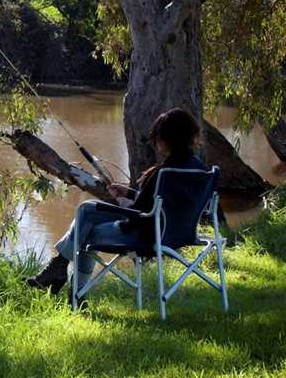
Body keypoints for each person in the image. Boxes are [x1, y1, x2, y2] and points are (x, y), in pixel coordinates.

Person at [26, 107, 206, 300]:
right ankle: (63, 274)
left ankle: (69, 284)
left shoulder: (164, 173)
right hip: (180, 234)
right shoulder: (200, 170)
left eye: (158, 138)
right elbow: (160, 203)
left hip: (146, 236)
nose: (156, 144)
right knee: (85, 223)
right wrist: (128, 192)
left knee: (85, 223)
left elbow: (139, 212)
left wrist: (123, 202)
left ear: (168, 139)